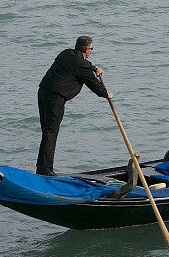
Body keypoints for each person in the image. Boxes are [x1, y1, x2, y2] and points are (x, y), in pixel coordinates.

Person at [36, 35, 112, 175]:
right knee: (51, 132)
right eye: (91, 49)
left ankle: (42, 168)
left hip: (43, 93)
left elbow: (83, 64)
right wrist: (106, 93)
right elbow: (94, 85)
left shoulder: (66, 53)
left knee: (47, 132)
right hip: (55, 98)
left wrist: (94, 68)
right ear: (87, 50)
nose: (91, 51)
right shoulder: (81, 65)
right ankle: (45, 170)